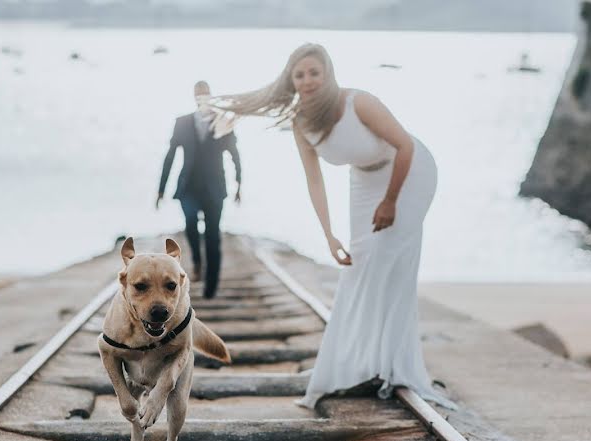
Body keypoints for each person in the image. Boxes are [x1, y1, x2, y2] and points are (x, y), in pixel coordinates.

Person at [215, 43, 454, 409]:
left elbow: (405, 146)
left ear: (327, 74)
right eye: (300, 75)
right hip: (365, 180)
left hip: (409, 172)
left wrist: (390, 201)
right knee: (358, 268)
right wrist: (329, 235)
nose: (308, 80)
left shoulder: (359, 103)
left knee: (390, 264)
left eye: (314, 72)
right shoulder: (300, 122)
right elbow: (314, 181)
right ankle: (356, 366)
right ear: (291, 80)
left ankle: (396, 366)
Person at [158, 80, 242, 298]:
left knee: (214, 237)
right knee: (191, 225)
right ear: (194, 96)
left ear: (211, 95)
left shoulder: (223, 123)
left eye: (205, 93)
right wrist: (161, 190)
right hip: (188, 188)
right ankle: (196, 260)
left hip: (215, 189)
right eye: (198, 93)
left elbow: (235, 156)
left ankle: (211, 287)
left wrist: (239, 185)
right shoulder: (182, 123)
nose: (202, 97)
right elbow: (170, 157)